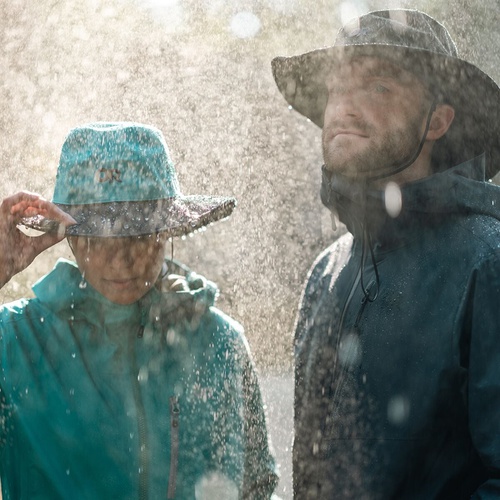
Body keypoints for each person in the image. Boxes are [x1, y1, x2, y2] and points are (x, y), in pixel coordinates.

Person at [272, 9, 500, 499]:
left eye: (377, 87)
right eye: (338, 88)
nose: (344, 109)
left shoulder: (488, 263)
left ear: (438, 120)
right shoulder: (326, 272)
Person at [0, 122, 278, 499]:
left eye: (139, 234)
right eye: (100, 238)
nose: (121, 261)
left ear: (167, 231)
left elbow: (257, 489)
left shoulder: (219, 343)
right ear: (71, 239)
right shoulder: (15, 343)